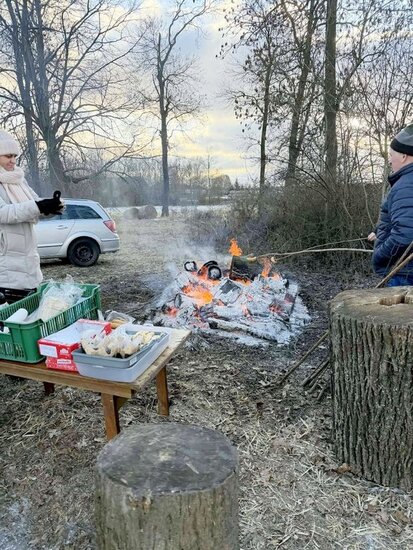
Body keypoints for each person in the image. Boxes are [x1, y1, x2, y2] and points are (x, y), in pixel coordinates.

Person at [0, 130, 64, 303]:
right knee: (11, 315)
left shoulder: (19, 179)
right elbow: (4, 213)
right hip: (5, 266)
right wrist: (38, 206)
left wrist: (50, 207)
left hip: (28, 260)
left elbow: (34, 205)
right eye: (7, 156)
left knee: (27, 310)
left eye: (14, 156)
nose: (13, 161)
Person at [372, 124, 413, 286]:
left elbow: (406, 234)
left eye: (391, 155)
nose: (389, 160)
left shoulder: (406, 185)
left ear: (403, 156)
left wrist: (379, 255)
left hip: (404, 274)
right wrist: (379, 232)